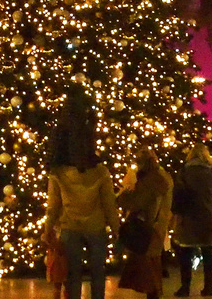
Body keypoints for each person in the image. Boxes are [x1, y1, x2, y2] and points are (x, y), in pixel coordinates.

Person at [47, 118, 119, 299]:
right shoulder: (101, 172)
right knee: (97, 271)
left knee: (72, 273)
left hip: (70, 225)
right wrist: (116, 228)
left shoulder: (59, 173)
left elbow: (53, 206)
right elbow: (109, 204)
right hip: (95, 226)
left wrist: (47, 230)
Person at [171, 144, 212, 297]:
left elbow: (177, 194)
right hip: (207, 216)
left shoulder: (184, 173)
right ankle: (208, 287)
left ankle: (185, 287)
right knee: (208, 252)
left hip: (188, 216)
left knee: (185, 253)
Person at [116, 149, 172, 299]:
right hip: (158, 226)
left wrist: (122, 196)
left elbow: (136, 202)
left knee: (149, 270)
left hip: (149, 228)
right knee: (153, 267)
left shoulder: (150, 181)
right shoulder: (162, 177)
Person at [46, 226, 70, 299]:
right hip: (56, 258)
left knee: (66, 282)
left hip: (63, 258)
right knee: (58, 283)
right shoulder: (52, 231)